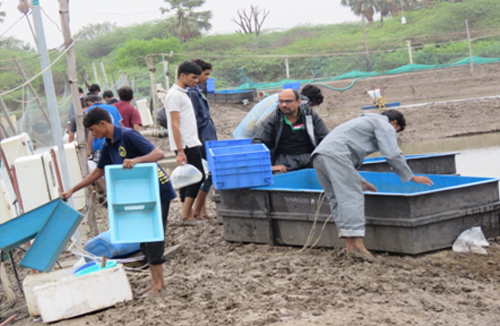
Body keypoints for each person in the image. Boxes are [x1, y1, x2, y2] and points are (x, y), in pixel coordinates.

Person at [61, 107, 176, 296]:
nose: (92, 134)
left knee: (153, 236)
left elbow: (158, 154)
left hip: (157, 190)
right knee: (144, 240)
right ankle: (157, 282)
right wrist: (73, 189)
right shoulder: (108, 145)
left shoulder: (128, 135)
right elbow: (98, 172)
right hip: (141, 193)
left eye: (92, 129)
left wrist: (136, 160)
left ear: (103, 124)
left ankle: (159, 286)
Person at [311, 110, 434, 261]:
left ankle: (350, 247)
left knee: (337, 199)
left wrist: (360, 180)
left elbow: (344, 149)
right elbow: (392, 154)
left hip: (319, 156)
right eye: (396, 132)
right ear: (394, 123)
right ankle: (359, 247)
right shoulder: (384, 124)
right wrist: (411, 176)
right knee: (352, 198)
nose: (393, 134)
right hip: (336, 156)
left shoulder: (363, 121)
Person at [164, 61, 205, 225]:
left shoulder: (183, 92)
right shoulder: (174, 95)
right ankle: (186, 214)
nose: (196, 81)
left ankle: (186, 213)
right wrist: (180, 150)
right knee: (197, 177)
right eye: (193, 77)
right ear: (182, 76)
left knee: (187, 178)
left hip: (190, 141)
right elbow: (174, 124)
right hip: (186, 144)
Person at [252, 88, 329, 173]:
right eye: (281, 102)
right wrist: (270, 167)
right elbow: (257, 142)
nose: (284, 105)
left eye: (288, 101)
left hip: (309, 157)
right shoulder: (274, 119)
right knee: (279, 178)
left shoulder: (310, 116)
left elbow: (325, 138)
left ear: (298, 102)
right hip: (284, 160)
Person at [189, 59, 217, 220]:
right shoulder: (192, 93)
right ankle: (196, 210)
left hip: (206, 138)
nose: (207, 78)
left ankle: (202, 211)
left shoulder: (198, 92)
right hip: (201, 140)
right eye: (205, 74)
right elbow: (193, 119)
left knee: (206, 174)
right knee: (209, 174)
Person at [85, 95, 123, 161]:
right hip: (118, 143)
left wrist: (88, 149)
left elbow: (92, 131)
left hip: (99, 145)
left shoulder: (90, 110)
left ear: (89, 103)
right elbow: (121, 125)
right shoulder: (113, 108)